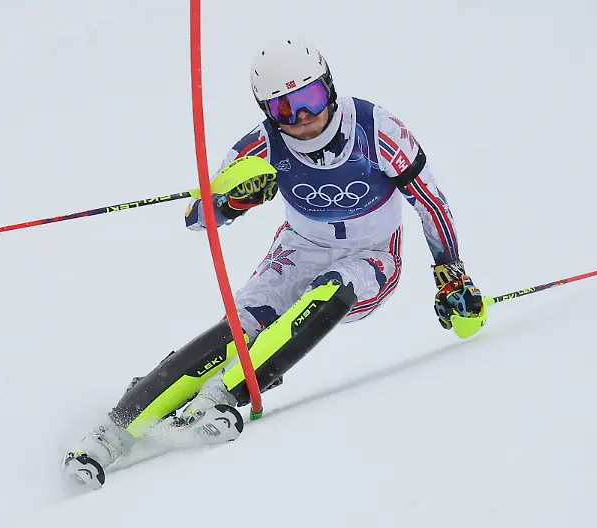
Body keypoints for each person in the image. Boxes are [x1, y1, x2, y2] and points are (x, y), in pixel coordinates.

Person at [62, 39, 485, 489]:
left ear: (329, 88)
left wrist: (449, 270)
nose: (303, 118)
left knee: (334, 287)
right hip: (300, 246)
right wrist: (233, 200)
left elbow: (430, 201)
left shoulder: (376, 130)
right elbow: (197, 218)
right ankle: (112, 431)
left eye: (310, 99)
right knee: (242, 324)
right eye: (286, 109)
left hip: (372, 253)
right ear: (268, 111)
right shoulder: (261, 145)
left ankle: (223, 395)